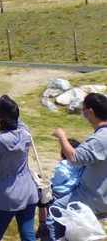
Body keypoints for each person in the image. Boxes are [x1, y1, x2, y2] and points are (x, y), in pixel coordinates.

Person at [0, 76, 38, 241]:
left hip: (7, 195)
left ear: (0, 117)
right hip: (28, 191)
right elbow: (13, 115)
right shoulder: (25, 132)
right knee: (28, 234)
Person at [48, 92, 107, 240]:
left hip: (92, 197)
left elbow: (74, 157)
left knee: (55, 210)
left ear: (90, 112)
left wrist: (62, 136)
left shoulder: (100, 139)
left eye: (83, 108)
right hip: (101, 195)